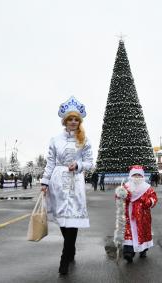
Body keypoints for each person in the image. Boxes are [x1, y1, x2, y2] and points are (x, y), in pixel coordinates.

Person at [40, 96, 93, 275]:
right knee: (63, 219)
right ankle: (70, 248)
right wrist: (45, 182)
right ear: (65, 121)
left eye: (76, 119)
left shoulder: (84, 140)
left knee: (73, 219)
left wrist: (78, 165)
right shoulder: (55, 140)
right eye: (70, 119)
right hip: (58, 182)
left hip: (75, 181)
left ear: (79, 121)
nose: (72, 122)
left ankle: (65, 255)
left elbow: (89, 162)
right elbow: (50, 162)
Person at [117, 165, 158, 263]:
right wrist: (122, 195)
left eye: (139, 175)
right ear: (131, 176)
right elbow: (119, 197)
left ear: (142, 176)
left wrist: (148, 202)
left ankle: (143, 249)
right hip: (129, 215)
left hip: (143, 215)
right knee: (129, 232)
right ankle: (128, 252)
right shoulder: (126, 186)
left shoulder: (147, 188)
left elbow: (154, 198)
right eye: (135, 175)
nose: (137, 177)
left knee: (142, 232)